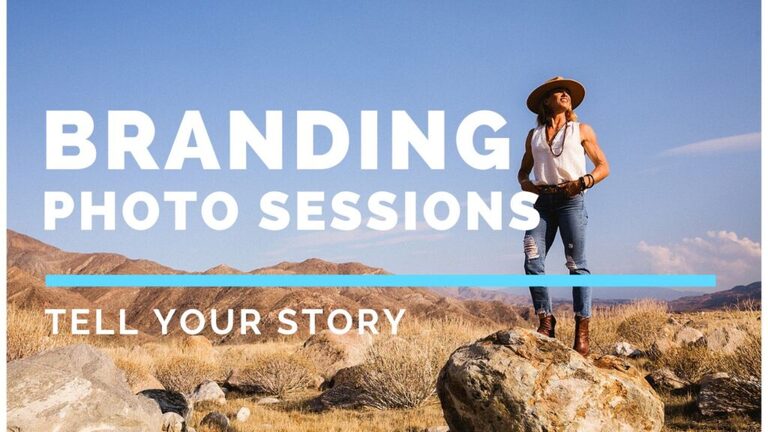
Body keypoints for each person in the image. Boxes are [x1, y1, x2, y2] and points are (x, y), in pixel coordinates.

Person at [517, 76, 610, 356]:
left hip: (572, 200)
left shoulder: (581, 130)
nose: (564, 94)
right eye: (558, 92)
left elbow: (604, 166)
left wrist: (583, 182)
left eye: (567, 92)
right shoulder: (533, 136)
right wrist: (525, 183)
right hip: (543, 203)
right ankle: (546, 320)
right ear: (546, 101)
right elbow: (522, 171)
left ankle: (582, 330)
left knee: (576, 264)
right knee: (532, 259)